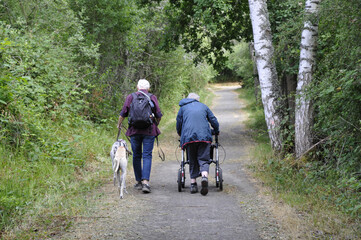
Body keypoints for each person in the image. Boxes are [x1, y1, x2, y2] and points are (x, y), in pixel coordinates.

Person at [117, 79, 162, 193]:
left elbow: (123, 113)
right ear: (148, 88)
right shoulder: (152, 97)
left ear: (137, 87)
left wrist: (119, 124)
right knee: (147, 155)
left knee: (136, 155)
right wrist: (155, 124)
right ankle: (145, 182)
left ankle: (138, 181)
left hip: (134, 131)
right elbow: (158, 114)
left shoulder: (130, 97)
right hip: (149, 131)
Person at [176, 93, 219, 196]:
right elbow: (213, 120)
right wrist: (216, 130)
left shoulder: (183, 108)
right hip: (204, 137)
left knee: (192, 159)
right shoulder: (204, 106)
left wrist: (180, 133)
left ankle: (193, 184)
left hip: (189, 138)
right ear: (197, 100)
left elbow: (179, 123)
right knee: (204, 159)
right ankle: (204, 176)